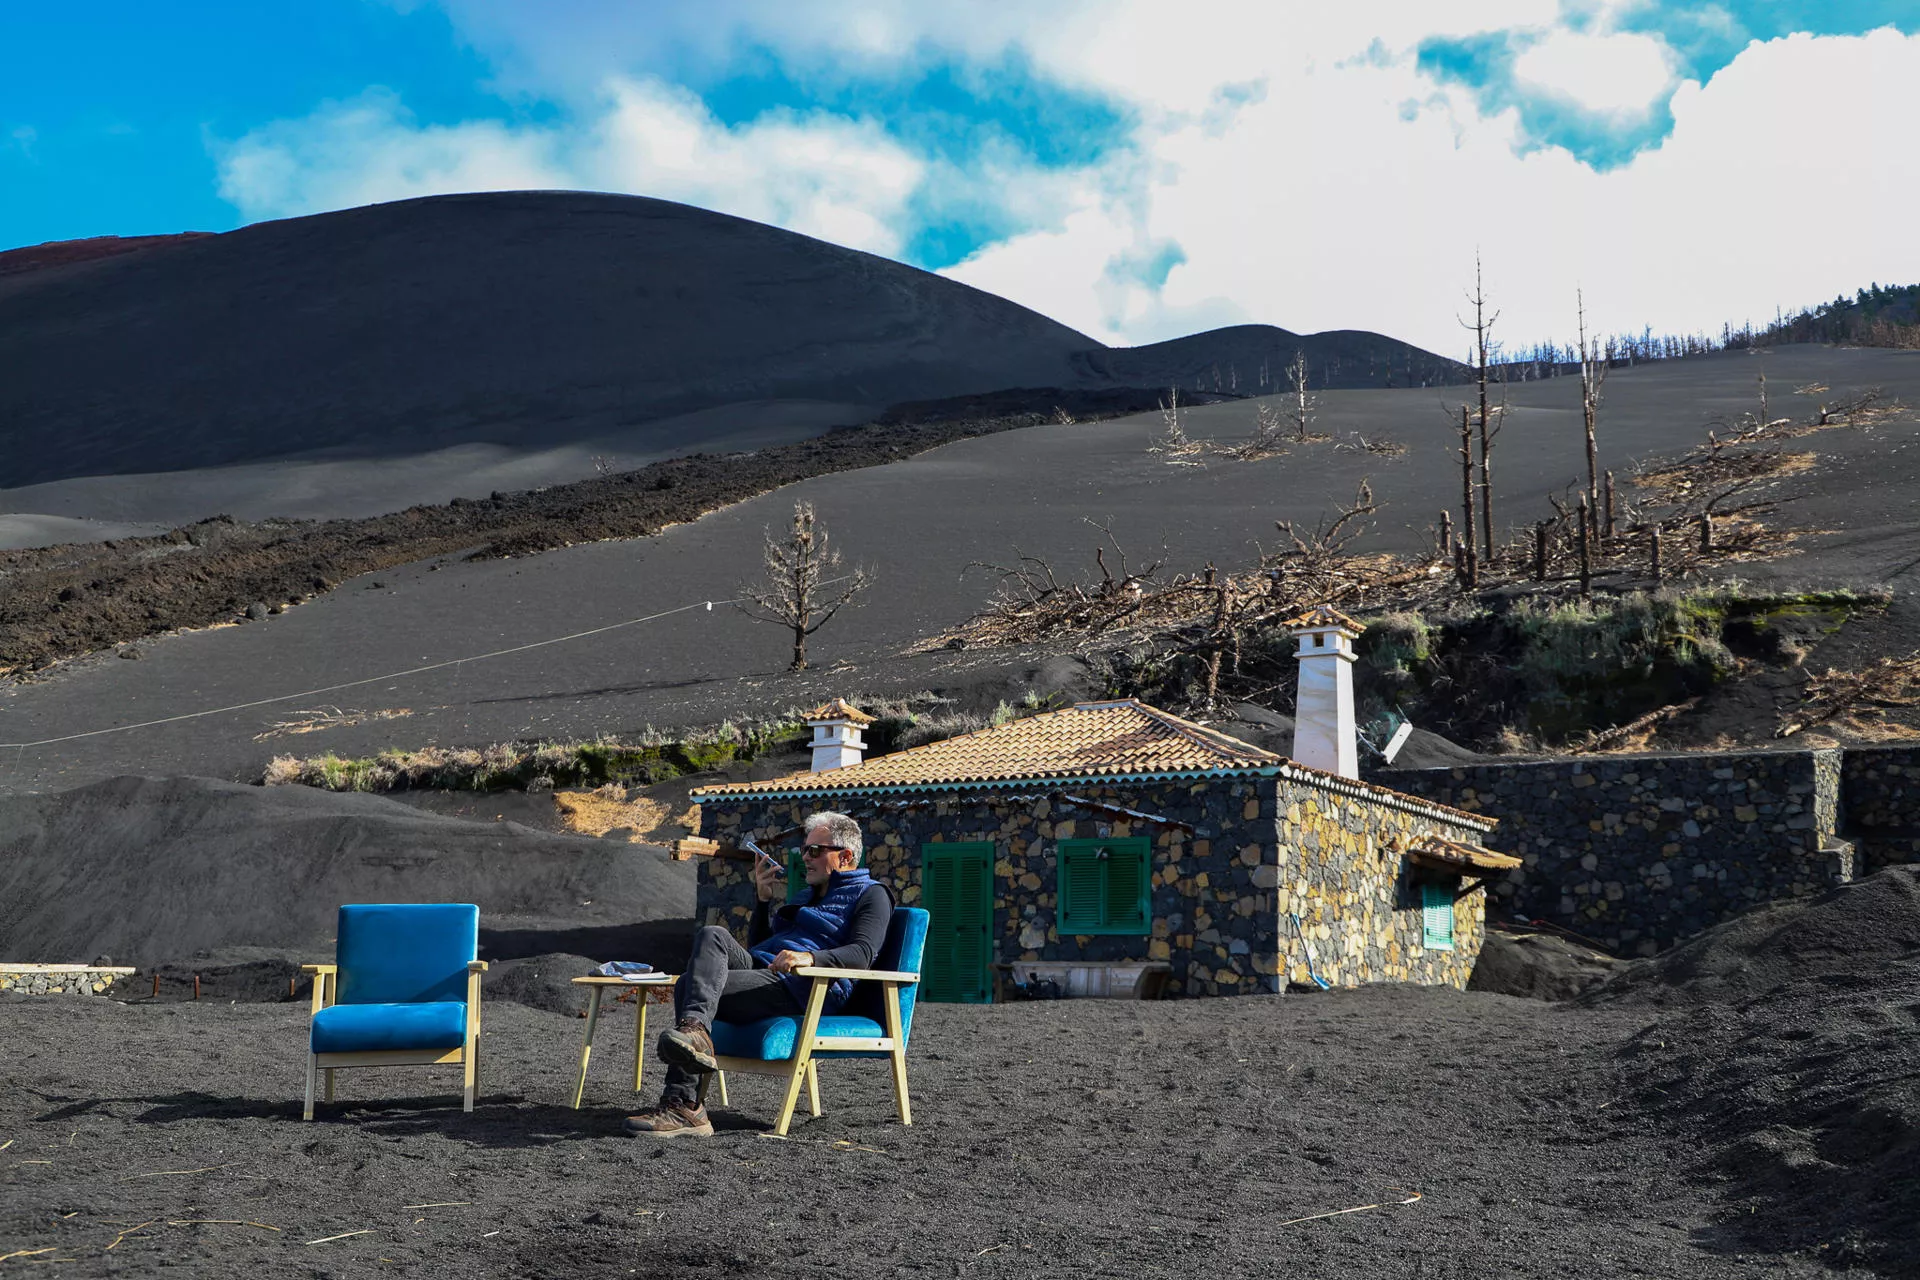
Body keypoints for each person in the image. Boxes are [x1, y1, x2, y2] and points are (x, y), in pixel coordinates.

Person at [624, 810, 892, 1137]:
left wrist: (810, 957)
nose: (804, 858)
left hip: (806, 987)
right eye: (804, 850)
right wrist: (763, 902)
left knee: (687, 987)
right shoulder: (807, 896)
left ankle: (684, 1104)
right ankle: (696, 1035)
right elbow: (762, 947)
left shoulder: (872, 894)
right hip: (769, 972)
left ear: (846, 856)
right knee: (712, 935)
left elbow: (862, 954)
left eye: (814, 851)